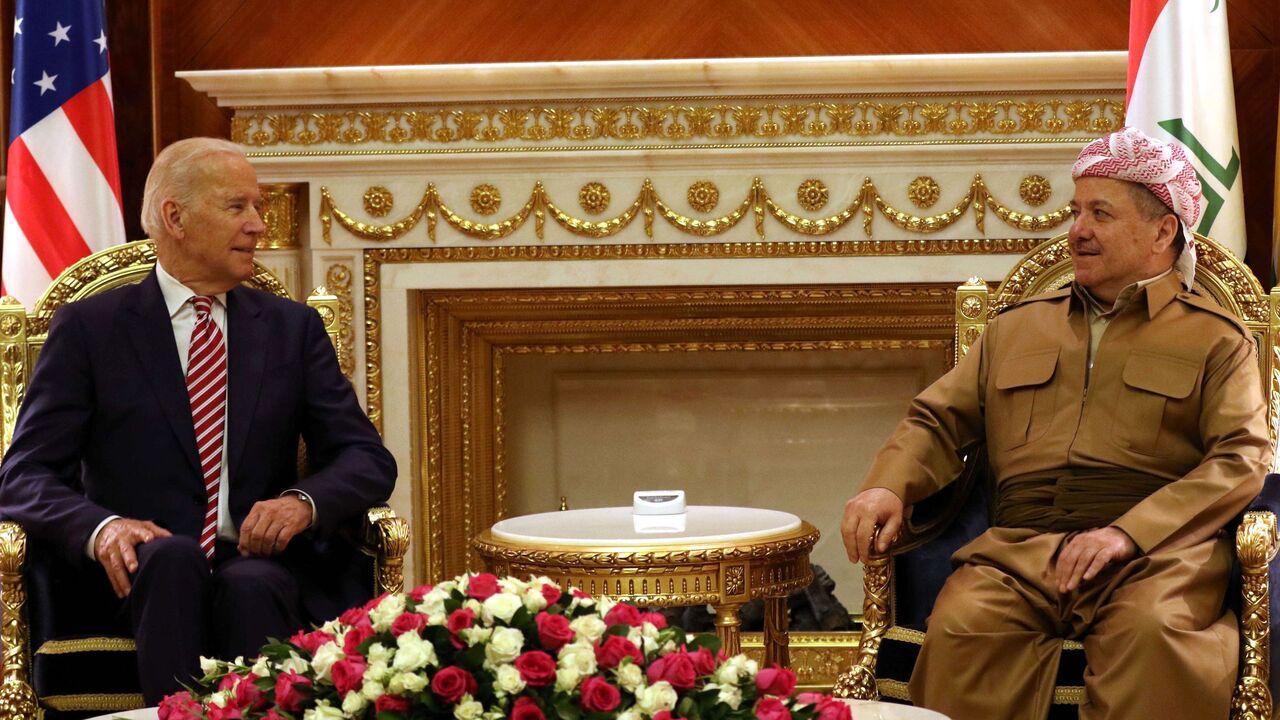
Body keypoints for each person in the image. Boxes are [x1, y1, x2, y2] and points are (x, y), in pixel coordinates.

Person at [840, 127, 1271, 720]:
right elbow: (937, 417)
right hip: (1018, 553)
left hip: (1156, 557)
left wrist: (1128, 534)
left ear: (1163, 230)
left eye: (1101, 213)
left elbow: (1240, 459)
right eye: (1075, 211)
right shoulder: (1017, 327)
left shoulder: (1216, 338)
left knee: (1153, 635)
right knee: (965, 631)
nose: (1078, 230)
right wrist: (888, 484)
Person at [0, 137, 397, 703]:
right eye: (238, 207)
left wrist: (300, 504)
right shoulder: (91, 329)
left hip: (260, 563)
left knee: (250, 582)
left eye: (256, 207)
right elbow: (24, 476)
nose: (259, 225)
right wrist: (103, 529)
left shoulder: (291, 330)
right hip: (134, 575)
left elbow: (366, 459)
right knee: (172, 558)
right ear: (174, 217)